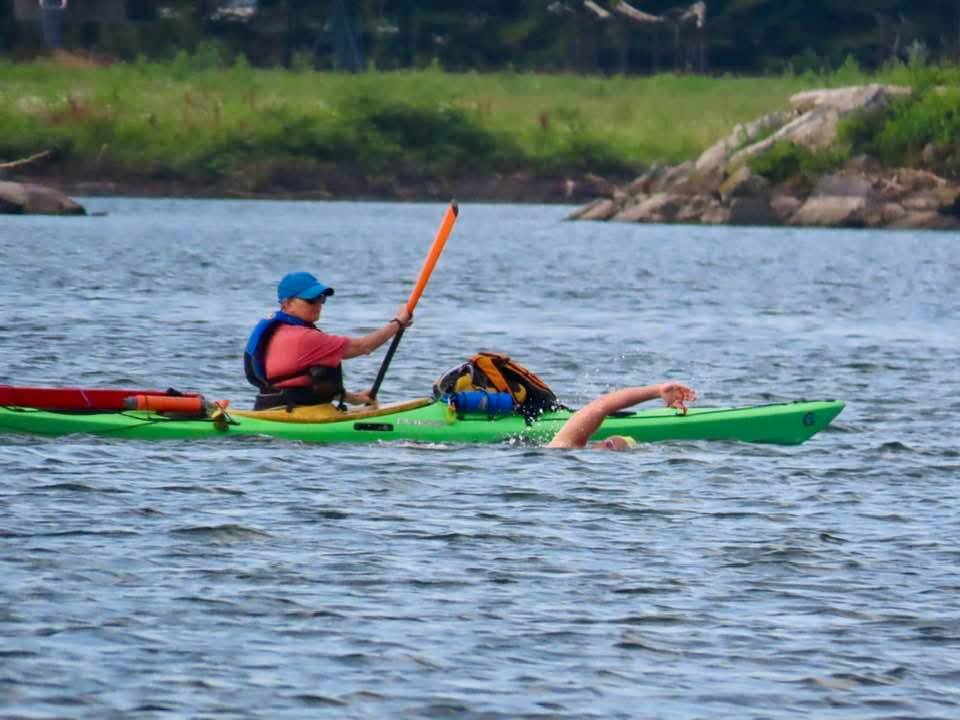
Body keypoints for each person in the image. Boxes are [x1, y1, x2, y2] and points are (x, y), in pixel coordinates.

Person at [244, 271, 413, 410]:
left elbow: (304, 382)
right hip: (294, 411)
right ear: (287, 304)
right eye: (311, 300)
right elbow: (364, 346)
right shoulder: (304, 338)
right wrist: (398, 323)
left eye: (321, 298)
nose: (319, 305)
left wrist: (356, 399)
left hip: (272, 406)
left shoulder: (280, 331)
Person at [547, 382, 697, 451]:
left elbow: (601, 407)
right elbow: (600, 406)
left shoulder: (561, 449)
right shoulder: (563, 448)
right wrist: (657, 391)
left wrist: (657, 391)